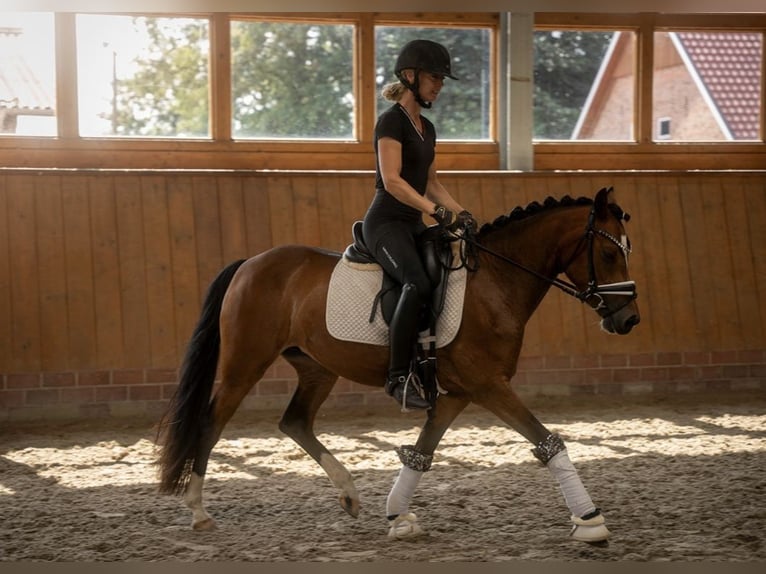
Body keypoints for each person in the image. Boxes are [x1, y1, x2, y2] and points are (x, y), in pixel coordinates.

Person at [362, 39, 476, 410]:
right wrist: (434, 210)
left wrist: (460, 213)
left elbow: (432, 181)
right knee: (417, 281)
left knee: (443, 272)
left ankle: (428, 361)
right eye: (433, 78)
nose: (438, 85)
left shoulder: (426, 127)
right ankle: (398, 378)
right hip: (384, 222)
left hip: (411, 221)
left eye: (441, 79)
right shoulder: (390, 121)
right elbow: (393, 180)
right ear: (410, 77)